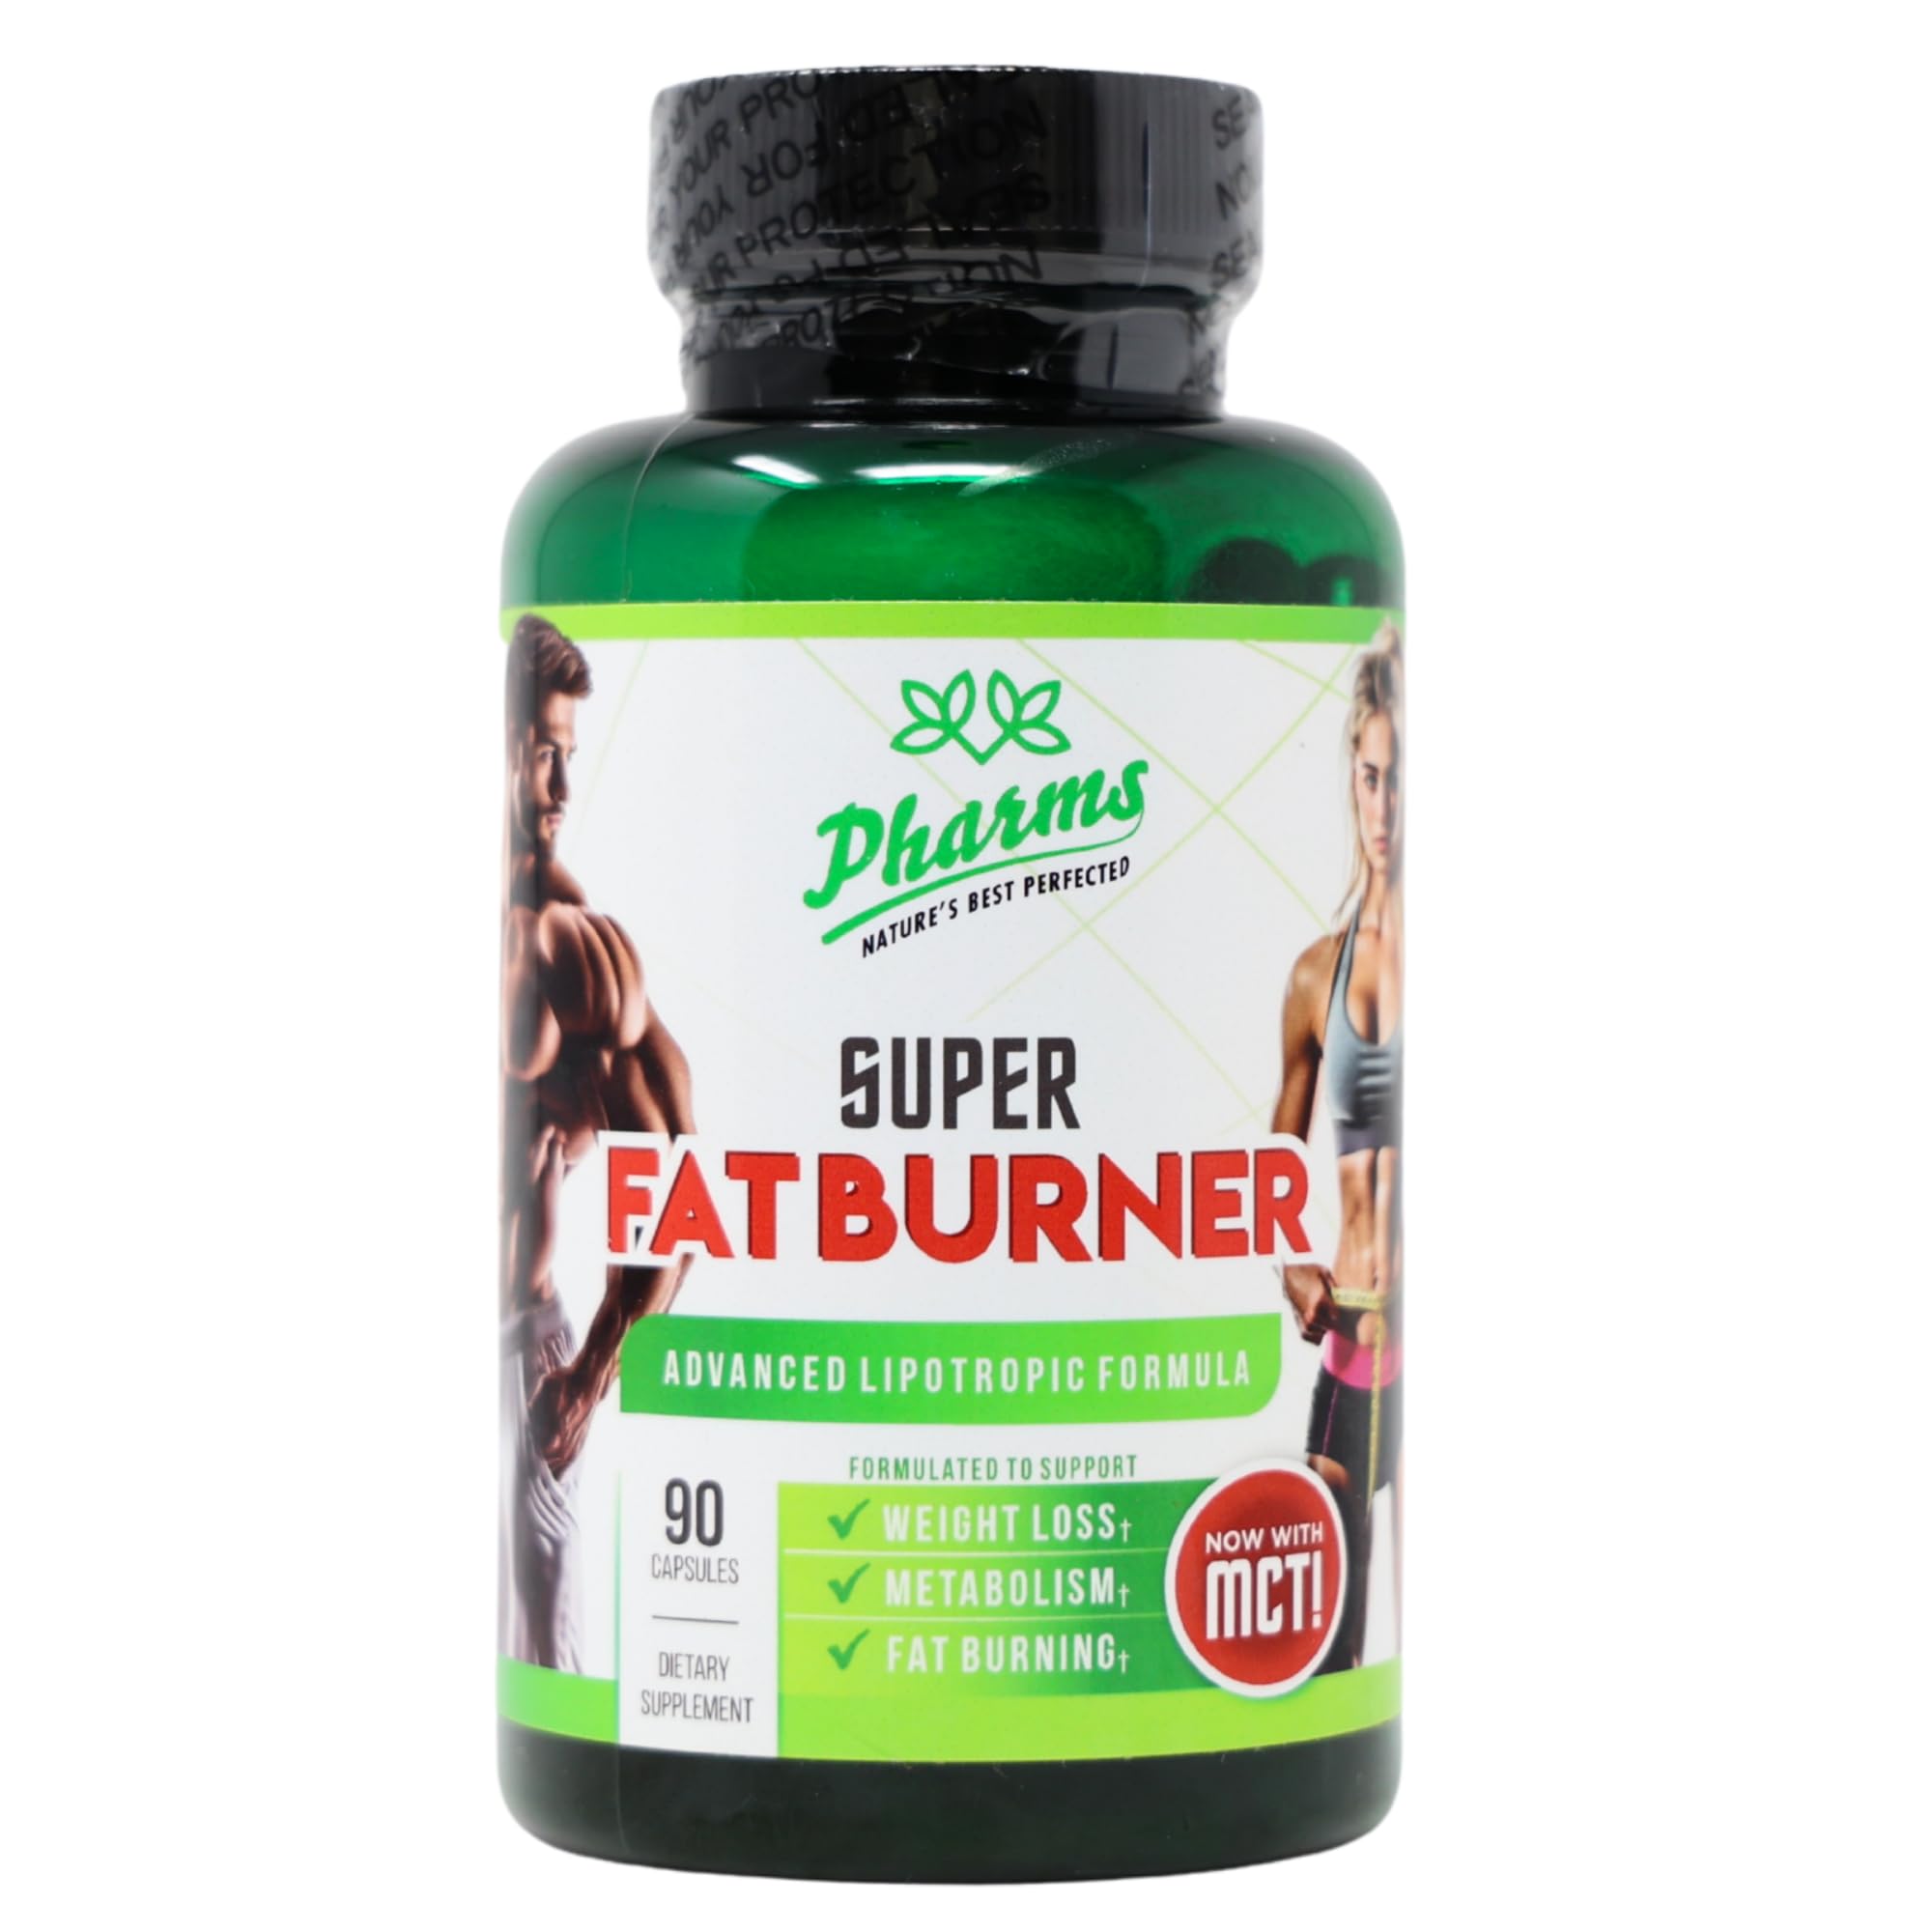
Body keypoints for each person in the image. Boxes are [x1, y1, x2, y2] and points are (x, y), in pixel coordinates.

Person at [499, 614, 696, 1669]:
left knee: (549, 1669)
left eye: (568, 755)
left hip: (511, 1358)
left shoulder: (568, 951)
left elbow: (674, 1168)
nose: (561, 789)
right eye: (542, 755)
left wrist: (588, 1376)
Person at [1272, 625, 1403, 1666]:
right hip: (1355, 1329)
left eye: (1403, 779)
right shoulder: (1319, 971)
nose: (1386, 809)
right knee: (1333, 1639)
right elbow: (1270, 1163)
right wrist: (1288, 1259)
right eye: (1369, 777)